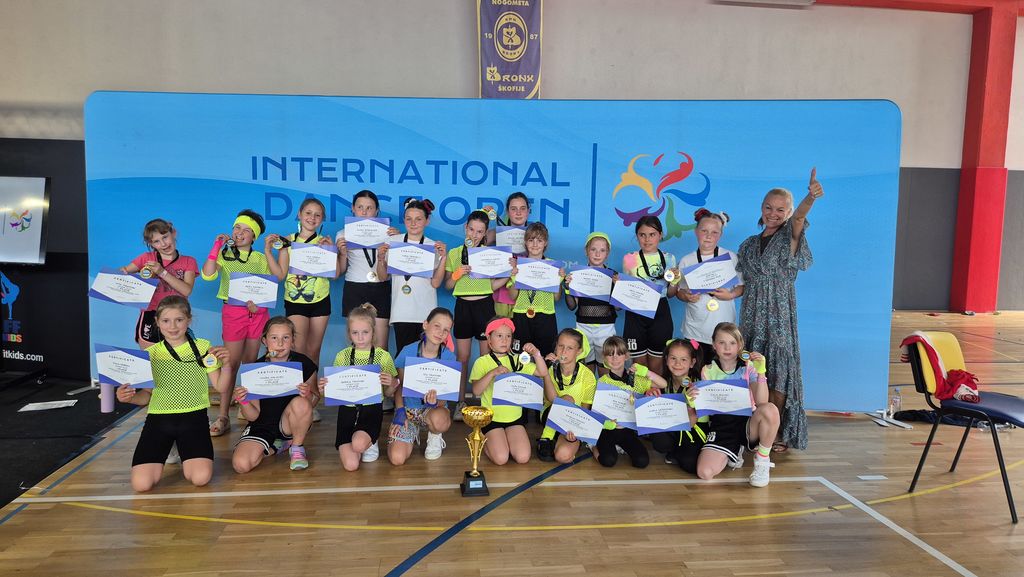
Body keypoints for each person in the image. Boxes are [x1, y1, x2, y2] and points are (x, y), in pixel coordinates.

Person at [736, 168, 823, 452]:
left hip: (779, 315)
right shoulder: (748, 245)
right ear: (761, 208)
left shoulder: (789, 236)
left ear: (788, 212)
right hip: (751, 315)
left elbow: (799, 219)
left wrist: (810, 198)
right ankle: (754, 428)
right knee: (753, 371)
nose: (773, 213)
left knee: (779, 372)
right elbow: (741, 284)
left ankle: (777, 432)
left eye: (780, 209)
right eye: (768, 207)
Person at [115, 296, 230, 492]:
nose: (173, 326)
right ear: (157, 322)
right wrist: (127, 397)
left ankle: (180, 447)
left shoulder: (203, 347)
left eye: (179, 320)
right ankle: (172, 446)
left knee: (200, 478)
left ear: (189, 320)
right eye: (166, 321)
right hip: (159, 420)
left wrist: (227, 365)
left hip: (194, 419)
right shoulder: (150, 354)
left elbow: (221, 387)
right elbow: (145, 396)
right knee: (141, 485)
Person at [201, 209, 286, 437]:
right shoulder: (224, 255)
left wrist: (259, 308)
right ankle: (223, 415)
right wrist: (216, 246)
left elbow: (275, 281)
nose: (240, 233)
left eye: (247, 230)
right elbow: (208, 275)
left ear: (254, 237)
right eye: (237, 227)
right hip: (233, 313)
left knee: (250, 364)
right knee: (230, 363)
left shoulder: (260, 259)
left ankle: (250, 411)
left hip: (258, 315)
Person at [694, 322, 780, 487]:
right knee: (705, 472)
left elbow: (762, 402)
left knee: (770, 410)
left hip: (747, 423)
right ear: (714, 345)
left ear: (740, 345)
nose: (727, 348)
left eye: (732, 343)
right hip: (723, 425)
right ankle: (734, 450)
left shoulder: (749, 367)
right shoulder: (707, 370)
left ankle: (762, 461)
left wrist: (761, 372)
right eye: (722, 342)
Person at [231, 317, 318, 472]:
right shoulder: (254, 369)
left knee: (301, 403)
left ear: (293, 340)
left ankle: (296, 447)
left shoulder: (304, 363)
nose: (280, 343)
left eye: (286, 337)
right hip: (262, 424)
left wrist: (307, 395)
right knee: (241, 465)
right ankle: (276, 447)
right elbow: (253, 416)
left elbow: (315, 398)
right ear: (265, 341)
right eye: (274, 338)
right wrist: (243, 401)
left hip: (289, 422)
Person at [318, 303, 398, 470]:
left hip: (371, 411)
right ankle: (359, 443)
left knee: (358, 444)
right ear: (349, 334)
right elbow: (332, 394)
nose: (360, 337)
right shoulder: (342, 356)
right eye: (355, 333)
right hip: (347, 413)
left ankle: (370, 441)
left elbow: (389, 393)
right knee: (351, 466)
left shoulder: (383, 357)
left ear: (373, 332)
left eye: (365, 332)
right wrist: (324, 389)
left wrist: (392, 383)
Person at [445, 210, 507, 420]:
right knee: (462, 358)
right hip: (463, 307)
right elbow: (448, 285)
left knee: (485, 358)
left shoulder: (489, 255)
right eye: (471, 229)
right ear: (466, 228)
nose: (474, 234)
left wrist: (509, 274)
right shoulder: (455, 253)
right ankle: (460, 401)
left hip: (484, 307)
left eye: (480, 231)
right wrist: (456, 275)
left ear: (485, 233)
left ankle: (484, 403)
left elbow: (492, 285)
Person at [469, 317, 549, 465]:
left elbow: (542, 372)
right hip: (492, 419)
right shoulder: (482, 362)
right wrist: (492, 373)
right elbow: (476, 391)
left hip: (514, 419)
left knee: (523, 457)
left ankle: (502, 440)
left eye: (508, 336)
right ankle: (482, 439)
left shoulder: (519, 359)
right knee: (501, 458)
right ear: (489, 339)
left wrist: (536, 354)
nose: (504, 340)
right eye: (499, 336)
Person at [378, 198, 448, 354]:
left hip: (426, 313)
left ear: (427, 221)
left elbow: (436, 283)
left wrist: (444, 257)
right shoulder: (392, 242)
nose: (413, 223)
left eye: (418, 219)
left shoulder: (433, 246)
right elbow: (382, 277)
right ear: (404, 220)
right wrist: (380, 259)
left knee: (425, 358)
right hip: (401, 311)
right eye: (409, 219)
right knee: (403, 357)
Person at [388, 307, 455, 464]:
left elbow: (445, 397)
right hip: (408, 411)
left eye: (446, 330)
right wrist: (400, 411)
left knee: (440, 421)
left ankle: (435, 435)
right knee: (397, 458)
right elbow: (400, 386)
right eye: (437, 326)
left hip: (432, 411)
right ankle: (412, 432)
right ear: (425, 324)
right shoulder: (408, 351)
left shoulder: (449, 357)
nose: (440, 332)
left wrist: (435, 403)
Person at [676, 209, 744, 365]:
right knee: (697, 370)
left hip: (724, 331)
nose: (708, 236)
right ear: (696, 231)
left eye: (714, 232)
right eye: (704, 231)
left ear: (720, 235)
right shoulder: (686, 260)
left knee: (722, 371)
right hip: (695, 330)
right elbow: (680, 292)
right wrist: (687, 296)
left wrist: (730, 295)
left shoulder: (730, 257)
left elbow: (742, 287)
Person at [276, 198, 337, 366]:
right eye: (308, 213)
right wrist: (271, 250)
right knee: (297, 350)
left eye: (317, 215)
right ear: (299, 214)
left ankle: (312, 383)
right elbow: (281, 274)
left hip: (321, 300)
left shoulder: (325, 242)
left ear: (322, 219)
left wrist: (331, 250)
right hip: (295, 300)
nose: (312, 218)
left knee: (313, 351)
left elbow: (334, 275)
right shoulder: (287, 241)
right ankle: (300, 384)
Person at [120, 219, 198, 349]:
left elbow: (186, 290)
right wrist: (121, 273)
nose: (163, 244)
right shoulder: (146, 258)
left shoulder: (189, 261)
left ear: (174, 233)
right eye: (156, 241)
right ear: (151, 244)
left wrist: (162, 272)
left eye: (165, 237)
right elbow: (123, 272)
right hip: (151, 313)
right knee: (149, 356)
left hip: (177, 315)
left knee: (178, 355)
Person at [335, 190, 397, 350]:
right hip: (354, 287)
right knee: (357, 344)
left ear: (377, 210)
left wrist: (399, 241)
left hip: (381, 287)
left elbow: (395, 266)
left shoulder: (389, 234)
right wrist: (342, 253)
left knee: (381, 345)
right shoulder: (342, 234)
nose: (364, 212)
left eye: (369, 208)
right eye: (360, 207)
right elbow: (341, 270)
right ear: (353, 209)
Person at [594, 336, 667, 468]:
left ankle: (620, 447)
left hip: (627, 430)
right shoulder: (602, 382)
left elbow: (663, 384)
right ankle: (593, 447)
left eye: (619, 354)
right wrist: (605, 423)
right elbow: (597, 412)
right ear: (604, 358)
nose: (615, 358)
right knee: (608, 461)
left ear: (627, 356)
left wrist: (646, 372)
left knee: (642, 462)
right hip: (608, 429)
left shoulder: (636, 379)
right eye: (610, 354)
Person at [621, 216, 679, 377]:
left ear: (660, 235)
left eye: (652, 234)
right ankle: (641, 394)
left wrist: (675, 282)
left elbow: (670, 294)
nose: (647, 239)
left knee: (657, 364)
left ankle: (656, 393)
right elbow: (626, 291)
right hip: (635, 312)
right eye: (642, 235)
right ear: (637, 236)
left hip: (660, 311)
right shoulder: (629, 258)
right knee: (638, 366)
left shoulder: (669, 258)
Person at [538, 328, 597, 463]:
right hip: (550, 417)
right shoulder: (549, 368)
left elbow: (585, 410)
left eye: (570, 348)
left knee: (562, 457)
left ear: (579, 351)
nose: (564, 352)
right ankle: (546, 437)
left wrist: (576, 432)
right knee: (567, 399)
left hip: (574, 421)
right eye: (561, 346)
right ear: (556, 347)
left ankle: (559, 439)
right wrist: (545, 371)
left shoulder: (588, 376)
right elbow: (551, 399)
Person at [564, 232, 617, 375]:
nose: (597, 254)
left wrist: (617, 288)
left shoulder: (613, 276)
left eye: (602, 250)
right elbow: (572, 306)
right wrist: (567, 288)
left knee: (606, 370)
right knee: (586, 372)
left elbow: (618, 308)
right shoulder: (577, 275)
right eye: (593, 249)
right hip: (583, 327)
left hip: (606, 328)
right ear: (586, 251)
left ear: (607, 253)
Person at [507, 222, 562, 358]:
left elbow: (557, 298)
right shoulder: (519, 265)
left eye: (539, 240)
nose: (535, 244)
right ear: (525, 242)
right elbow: (512, 296)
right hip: (521, 315)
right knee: (520, 357)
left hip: (545, 315)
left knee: (546, 356)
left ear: (545, 243)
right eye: (531, 240)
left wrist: (558, 280)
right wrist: (515, 278)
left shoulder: (553, 266)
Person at [655, 338, 707, 474]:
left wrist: (689, 403)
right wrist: (651, 394)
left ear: (692, 363)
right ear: (666, 359)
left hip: (694, 430)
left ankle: (680, 452)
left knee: (690, 465)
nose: (677, 363)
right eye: (673, 358)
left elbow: (690, 423)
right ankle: (675, 450)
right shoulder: (664, 382)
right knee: (659, 441)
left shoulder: (697, 386)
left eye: (684, 359)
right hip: (675, 426)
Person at [485, 192, 531, 318]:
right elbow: (474, 242)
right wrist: (484, 217)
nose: (518, 213)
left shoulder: (534, 234)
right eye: (513, 209)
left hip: (524, 294)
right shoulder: (497, 232)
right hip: (501, 292)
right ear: (507, 212)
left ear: (528, 211)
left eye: (523, 208)